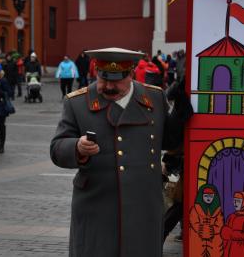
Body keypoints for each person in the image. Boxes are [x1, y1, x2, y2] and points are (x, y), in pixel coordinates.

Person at [50, 47, 192, 257]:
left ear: (131, 73)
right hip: (97, 206)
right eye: (103, 78)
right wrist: (76, 147)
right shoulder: (77, 102)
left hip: (144, 206)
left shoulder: (154, 98)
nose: (108, 86)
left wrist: (180, 113)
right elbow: (56, 148)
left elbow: (169, 140)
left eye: (116, 81)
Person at [189, 184, 224, 257]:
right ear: (201, 196)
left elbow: (220, 223)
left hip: (214, 240)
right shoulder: (195, 209)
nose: (208, 198)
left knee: (215, 253)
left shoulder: (218, 210)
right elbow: (193, 221)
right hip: (198, 237)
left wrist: (212, 230)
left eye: (211, 196)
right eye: (206, 196)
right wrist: (201, 229)